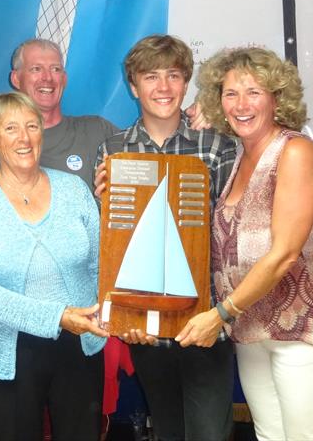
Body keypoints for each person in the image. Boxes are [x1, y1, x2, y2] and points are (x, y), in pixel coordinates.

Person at [176, 47, 313, 441]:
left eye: (254, 92)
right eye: (230, 93)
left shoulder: (297, 151)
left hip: (301, 331)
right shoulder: (239, 157)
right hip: (252, 331)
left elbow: (285, 253)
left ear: (276, 97)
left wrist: (219, 314)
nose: (241, 104)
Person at [96, 34, 237, 441]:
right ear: (133, 85)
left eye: (173, 75)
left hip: (205, 319)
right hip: (140, 321)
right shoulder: (112, 149)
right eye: (151, 76)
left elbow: (230, 236)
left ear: (186, 82)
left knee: (210, 433)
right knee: (169, 428)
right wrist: (101, 201)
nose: (163, 87)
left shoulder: (216, 145)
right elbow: (109, 242)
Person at [0, 92, 108, 441]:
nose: (23, 138)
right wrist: (55, 317)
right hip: (7, 350)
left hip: (79, 344)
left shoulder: (74, 190)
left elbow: (101, 268)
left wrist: (106, 316)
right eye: (10, 128)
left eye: (32, 126)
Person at [0, 38, 117, 190]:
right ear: (16, 79)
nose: (47, 77)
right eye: (36, 69)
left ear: (64, 79)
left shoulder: (96, 132)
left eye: (55, 69)